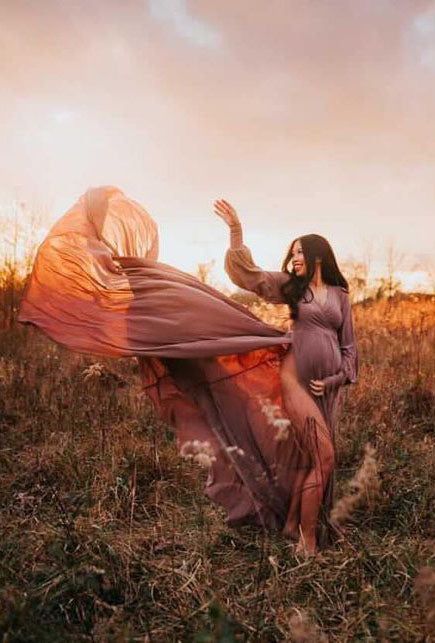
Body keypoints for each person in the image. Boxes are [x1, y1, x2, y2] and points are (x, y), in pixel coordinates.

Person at [214, 199, 358, 554]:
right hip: (294, 382)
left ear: (318, 256)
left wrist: (335, 380)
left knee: (310, 459)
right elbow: (251, 277)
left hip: (327, 390)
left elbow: (349, 348)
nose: (294, 258)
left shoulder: (340, 295)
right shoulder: (292, 287)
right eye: (292, 253)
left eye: (300, 253)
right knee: (324, 458)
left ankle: (294, 525)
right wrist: (236, 232)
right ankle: (308, 542)